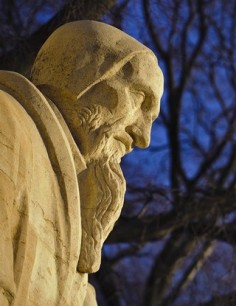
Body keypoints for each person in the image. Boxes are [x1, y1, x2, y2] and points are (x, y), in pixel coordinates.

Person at [0, 20, 163, 305]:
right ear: (84, 77)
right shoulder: (7, 122)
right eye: (139, 99)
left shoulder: (76, 224)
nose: (143, 137)